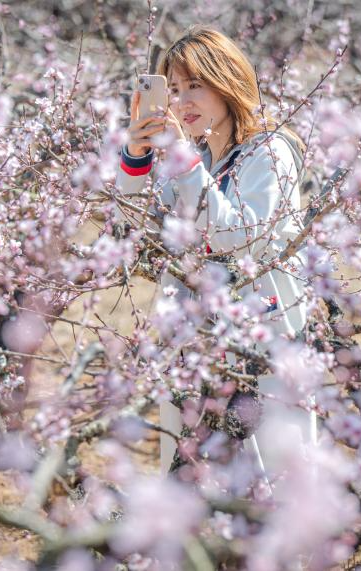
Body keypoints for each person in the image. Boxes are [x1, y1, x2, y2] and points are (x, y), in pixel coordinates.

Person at [112, 26, 318, 489]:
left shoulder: (270, 152)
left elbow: (233, 238)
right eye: (175, 89)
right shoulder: (196, 158)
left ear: (227, 83)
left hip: (259, 354)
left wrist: (184, 163)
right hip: (193, 350)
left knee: (273, 491)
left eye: (195, 86)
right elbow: (129, 227)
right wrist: (136, 155)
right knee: (190, 492)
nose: (182, 101)